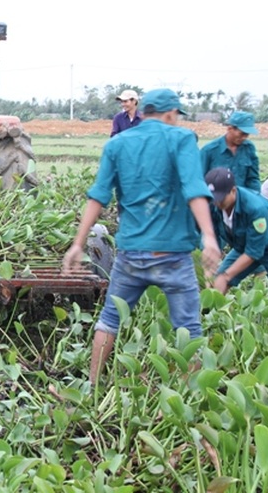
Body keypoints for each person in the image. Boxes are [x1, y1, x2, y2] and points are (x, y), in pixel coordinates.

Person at [62, 88, 220, 384]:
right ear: (171, 114)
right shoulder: (182, 138)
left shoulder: (117, 143)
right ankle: (191, 395)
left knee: (109, 320)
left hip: (131, 254)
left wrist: (77, 244)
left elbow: (98, 196)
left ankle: (92, 387)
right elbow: (194, 188)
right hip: (173, 255)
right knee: (189, 329)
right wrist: (209, 237)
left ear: (144, 111)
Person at [204, 167, 268, 293]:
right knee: (216, 284)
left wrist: (226, 276)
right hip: (245, 246)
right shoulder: (213, 204)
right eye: (214, 198)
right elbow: (213, 239)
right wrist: (209, 270)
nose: (217, 203)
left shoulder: (255, 208)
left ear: (233, 190)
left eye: (221, 198)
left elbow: (254, 252)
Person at [200, 111, 260, 191]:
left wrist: (256, 196)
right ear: (230, 129)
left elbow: (253, 179)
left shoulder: (249, 148)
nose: (244, 137)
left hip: (241, 197)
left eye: (247, 134)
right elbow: (199, 180)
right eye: (242, 134)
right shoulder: (209, 150)